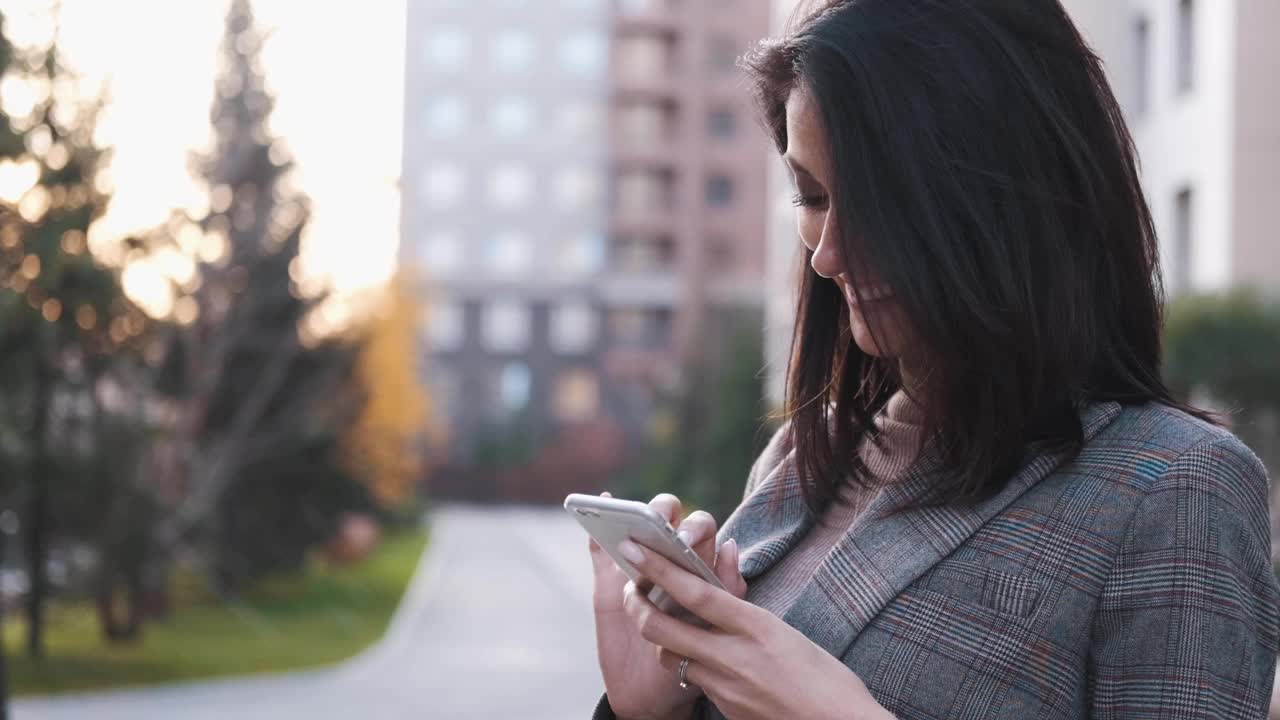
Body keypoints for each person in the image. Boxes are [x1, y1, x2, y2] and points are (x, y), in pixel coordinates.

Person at [585, 0, 1280, 718]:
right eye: (813, 195)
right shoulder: (804, 458)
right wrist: (649, 708)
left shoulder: (1176, 491)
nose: (828, 256)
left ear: (1000, 195)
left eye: (881, 206)